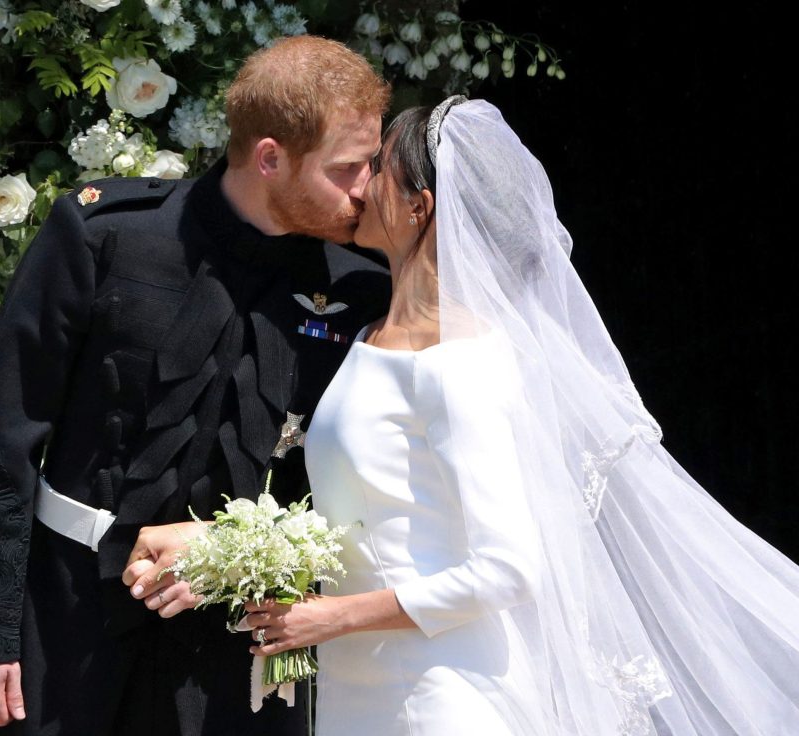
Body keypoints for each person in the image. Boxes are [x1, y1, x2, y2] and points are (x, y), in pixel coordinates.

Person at [140, 98, 799, 735]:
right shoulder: (371, 336)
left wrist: (334, 616)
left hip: (446, 693)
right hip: (361, 689)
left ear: (418, 207)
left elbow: (507, 569)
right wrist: (217, 549)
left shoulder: (461, 360)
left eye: (378, 170)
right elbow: (378, 512)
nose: (359, 184)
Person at [0, 35, 391, 735]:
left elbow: (355, 478)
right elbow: (3, 434)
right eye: (347, 168)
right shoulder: (107, 237)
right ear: (270, 158)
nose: (366, 187)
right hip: (66, 621)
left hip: (238, 652)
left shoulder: (359, 287)